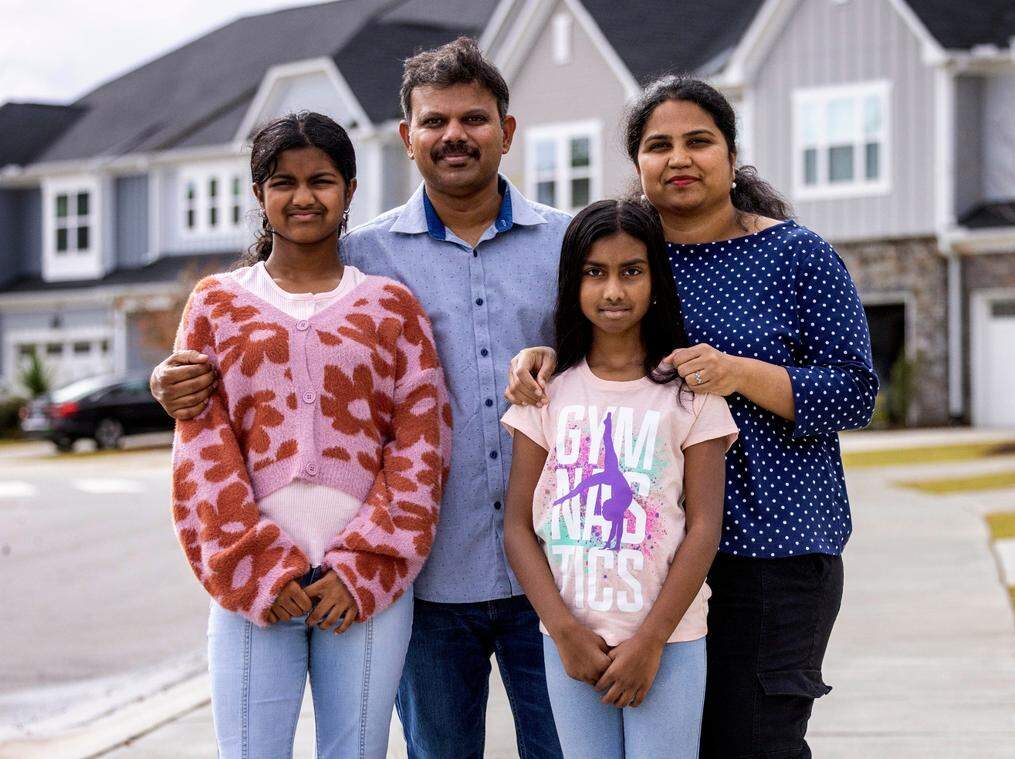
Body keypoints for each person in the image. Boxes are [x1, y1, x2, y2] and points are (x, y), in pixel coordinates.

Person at [151, 38, 566, 758]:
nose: (454, 136)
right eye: (435, 122)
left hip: (536, 571)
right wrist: (172, 381)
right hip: (415, 583)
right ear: (407, 139)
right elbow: (217, 420)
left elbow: (424, 436)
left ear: (507, 129)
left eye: (473, 119)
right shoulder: (340, 269)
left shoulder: (562, 247)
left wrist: (365, 561)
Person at [507, 76, 879, 758]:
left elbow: (855, 392)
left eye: (698, 141)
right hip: (639, 566)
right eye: (659, 145)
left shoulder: (797, 255)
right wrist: (541, 355)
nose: (679, 157)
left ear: (731, 155)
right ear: (638, 164)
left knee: (753, 744)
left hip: (771, 552)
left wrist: (739, 373)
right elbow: (594, 351)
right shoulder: (631, 257)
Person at [169, 111, 450, 758]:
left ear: (350, 190)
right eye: (282, 182)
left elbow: (421, 442)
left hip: (364, 585)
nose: (302, 198)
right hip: (253, 581)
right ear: (258, 194)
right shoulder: (215, 304)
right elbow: (202, 451)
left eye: (321, 180)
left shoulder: (390, 307)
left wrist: (362, 566)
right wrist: (260, 566)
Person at [501, 199, 737, 758]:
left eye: (631, 271)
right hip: (573, 644)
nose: (613, 291)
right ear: (572, 282)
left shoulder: (690, 394)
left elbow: (704, 529)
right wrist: (564, 632)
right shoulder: (545, 393)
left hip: (669, 641)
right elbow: (517, 526)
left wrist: (651, 641)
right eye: (595, 273)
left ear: (655, 279)